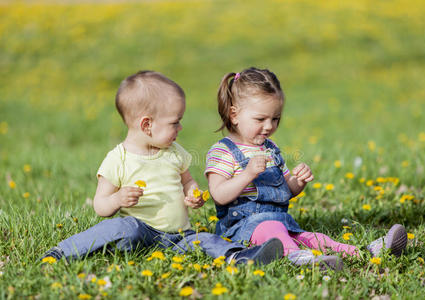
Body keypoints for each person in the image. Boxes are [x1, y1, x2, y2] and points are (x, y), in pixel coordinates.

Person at [41, 70, 283, 265]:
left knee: (205, 239)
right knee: (120, 227)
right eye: (174, 123)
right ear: (147, 125)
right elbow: (100, 206)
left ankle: (239, 257)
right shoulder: (118, 159)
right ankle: (63, 252)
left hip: (179, 234)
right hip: (139, 232)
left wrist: (192, 193)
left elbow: (187, 180)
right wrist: (117, 199)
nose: (180, 128)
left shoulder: (175, 153)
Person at [205, 67, 407, 270]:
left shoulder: (270, 149)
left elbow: (285, 192)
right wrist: (248, 174)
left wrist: (297, 182)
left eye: (275, 119)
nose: (269, 126)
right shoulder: (223, 151)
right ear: (234, 115)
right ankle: (300, 260)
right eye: (260, 119)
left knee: (314, 237)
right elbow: (219, 195)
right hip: (241, 229)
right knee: (272, 228)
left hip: (280, 223)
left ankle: (365, 252)